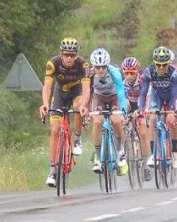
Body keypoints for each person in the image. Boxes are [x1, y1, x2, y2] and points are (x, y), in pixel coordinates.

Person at [39, 37, 91, 188]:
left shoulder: (83, 64)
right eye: (66, 54)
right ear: (61, 54)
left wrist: (84, 105)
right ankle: (52, 170)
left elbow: (87, 88)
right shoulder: (53, 63)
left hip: (77, 92)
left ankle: (77, 138)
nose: (69, 58)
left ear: (77, 55)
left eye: (73, 55)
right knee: (55, 129)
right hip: (60, 93)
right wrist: (45, 104)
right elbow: (47, 86)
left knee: (78, 105)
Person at [138, 46, 177, 169]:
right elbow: (143, 92)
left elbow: (175, 94)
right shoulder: (149, 72)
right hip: (157, 95)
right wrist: (142, 109)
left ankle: (174, 151)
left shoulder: (174, 73)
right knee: (152, 119)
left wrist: (176, 111)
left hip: (170, 97)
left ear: (169, 63)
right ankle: (153, 154)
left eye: (164, 65)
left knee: (171, 120)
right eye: (158, 65)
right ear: (154, 63)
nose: (161, 68)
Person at [87, 48, 128, 173]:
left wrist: (123, 112)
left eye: (103, 67)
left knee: (116, 121)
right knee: (97, 122)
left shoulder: (114, 72)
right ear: (93, 66)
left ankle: (120, 150)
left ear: (107, 66)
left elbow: (121, 92)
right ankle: (98, 158)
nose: (100, 70)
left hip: (114, 98)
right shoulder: (89, 75)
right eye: (97, 67)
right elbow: (87, 94)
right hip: (98, 99)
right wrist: (87, 112)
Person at [121, 56, 151, 181]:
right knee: (120, 124)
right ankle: (122, 154)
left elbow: (146, 95)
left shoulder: (143, 79)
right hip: (128, 104)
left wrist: (143, 110)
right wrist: (123, 115)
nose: (129, 76)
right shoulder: (121, 82)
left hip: (142, 103)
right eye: (126, 73)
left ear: (137, 72)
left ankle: (146, 166)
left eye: (131, 73)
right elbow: (122, 100)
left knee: (143, 133)